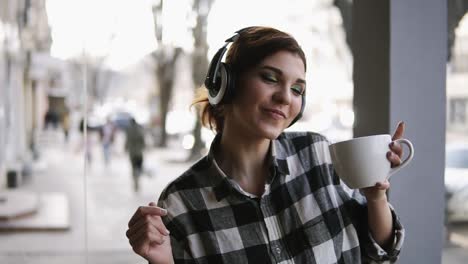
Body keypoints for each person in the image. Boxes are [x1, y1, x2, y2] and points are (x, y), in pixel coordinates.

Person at [126, 26, 405, 263]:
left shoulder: (319, 154)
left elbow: (379, 252)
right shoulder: (179, 204)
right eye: (270, 78)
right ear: (226, 84)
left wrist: (375, 197)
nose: (285, 97)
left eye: (297, 89)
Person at [125, 117, 146, 192]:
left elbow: (127, 141)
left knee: (134, 167)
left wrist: (125, 148)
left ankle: (135, 180)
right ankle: (138, 178)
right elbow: (143, 140)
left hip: (132, 153)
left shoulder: (129, 130)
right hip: (139, 153)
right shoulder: (140, 129)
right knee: (139, 167)